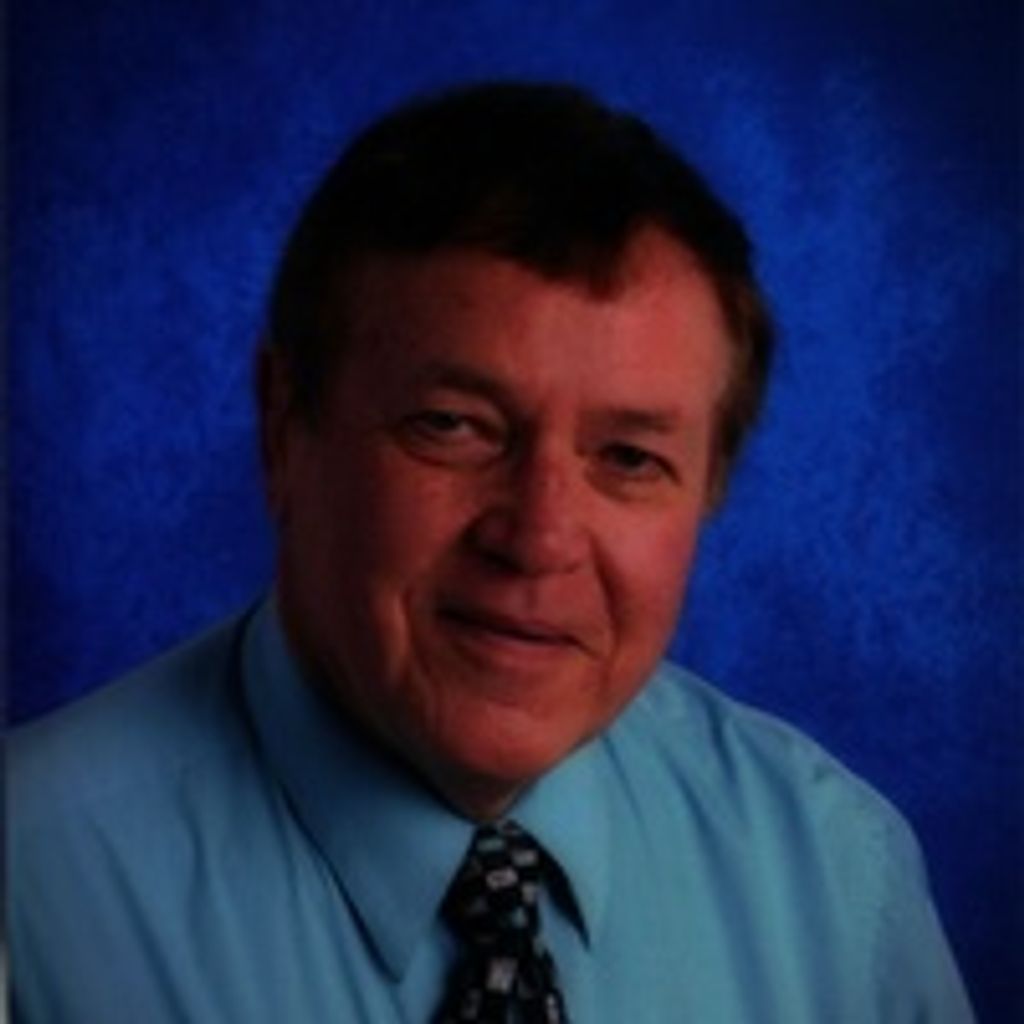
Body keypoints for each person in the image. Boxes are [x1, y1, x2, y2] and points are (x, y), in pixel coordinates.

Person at [8, 81, 974, 1023]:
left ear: (710, 488)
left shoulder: (838, 881)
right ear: (283, 426)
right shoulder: (32, 891)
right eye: (453, 426)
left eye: (629, 458)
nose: (539, 539)